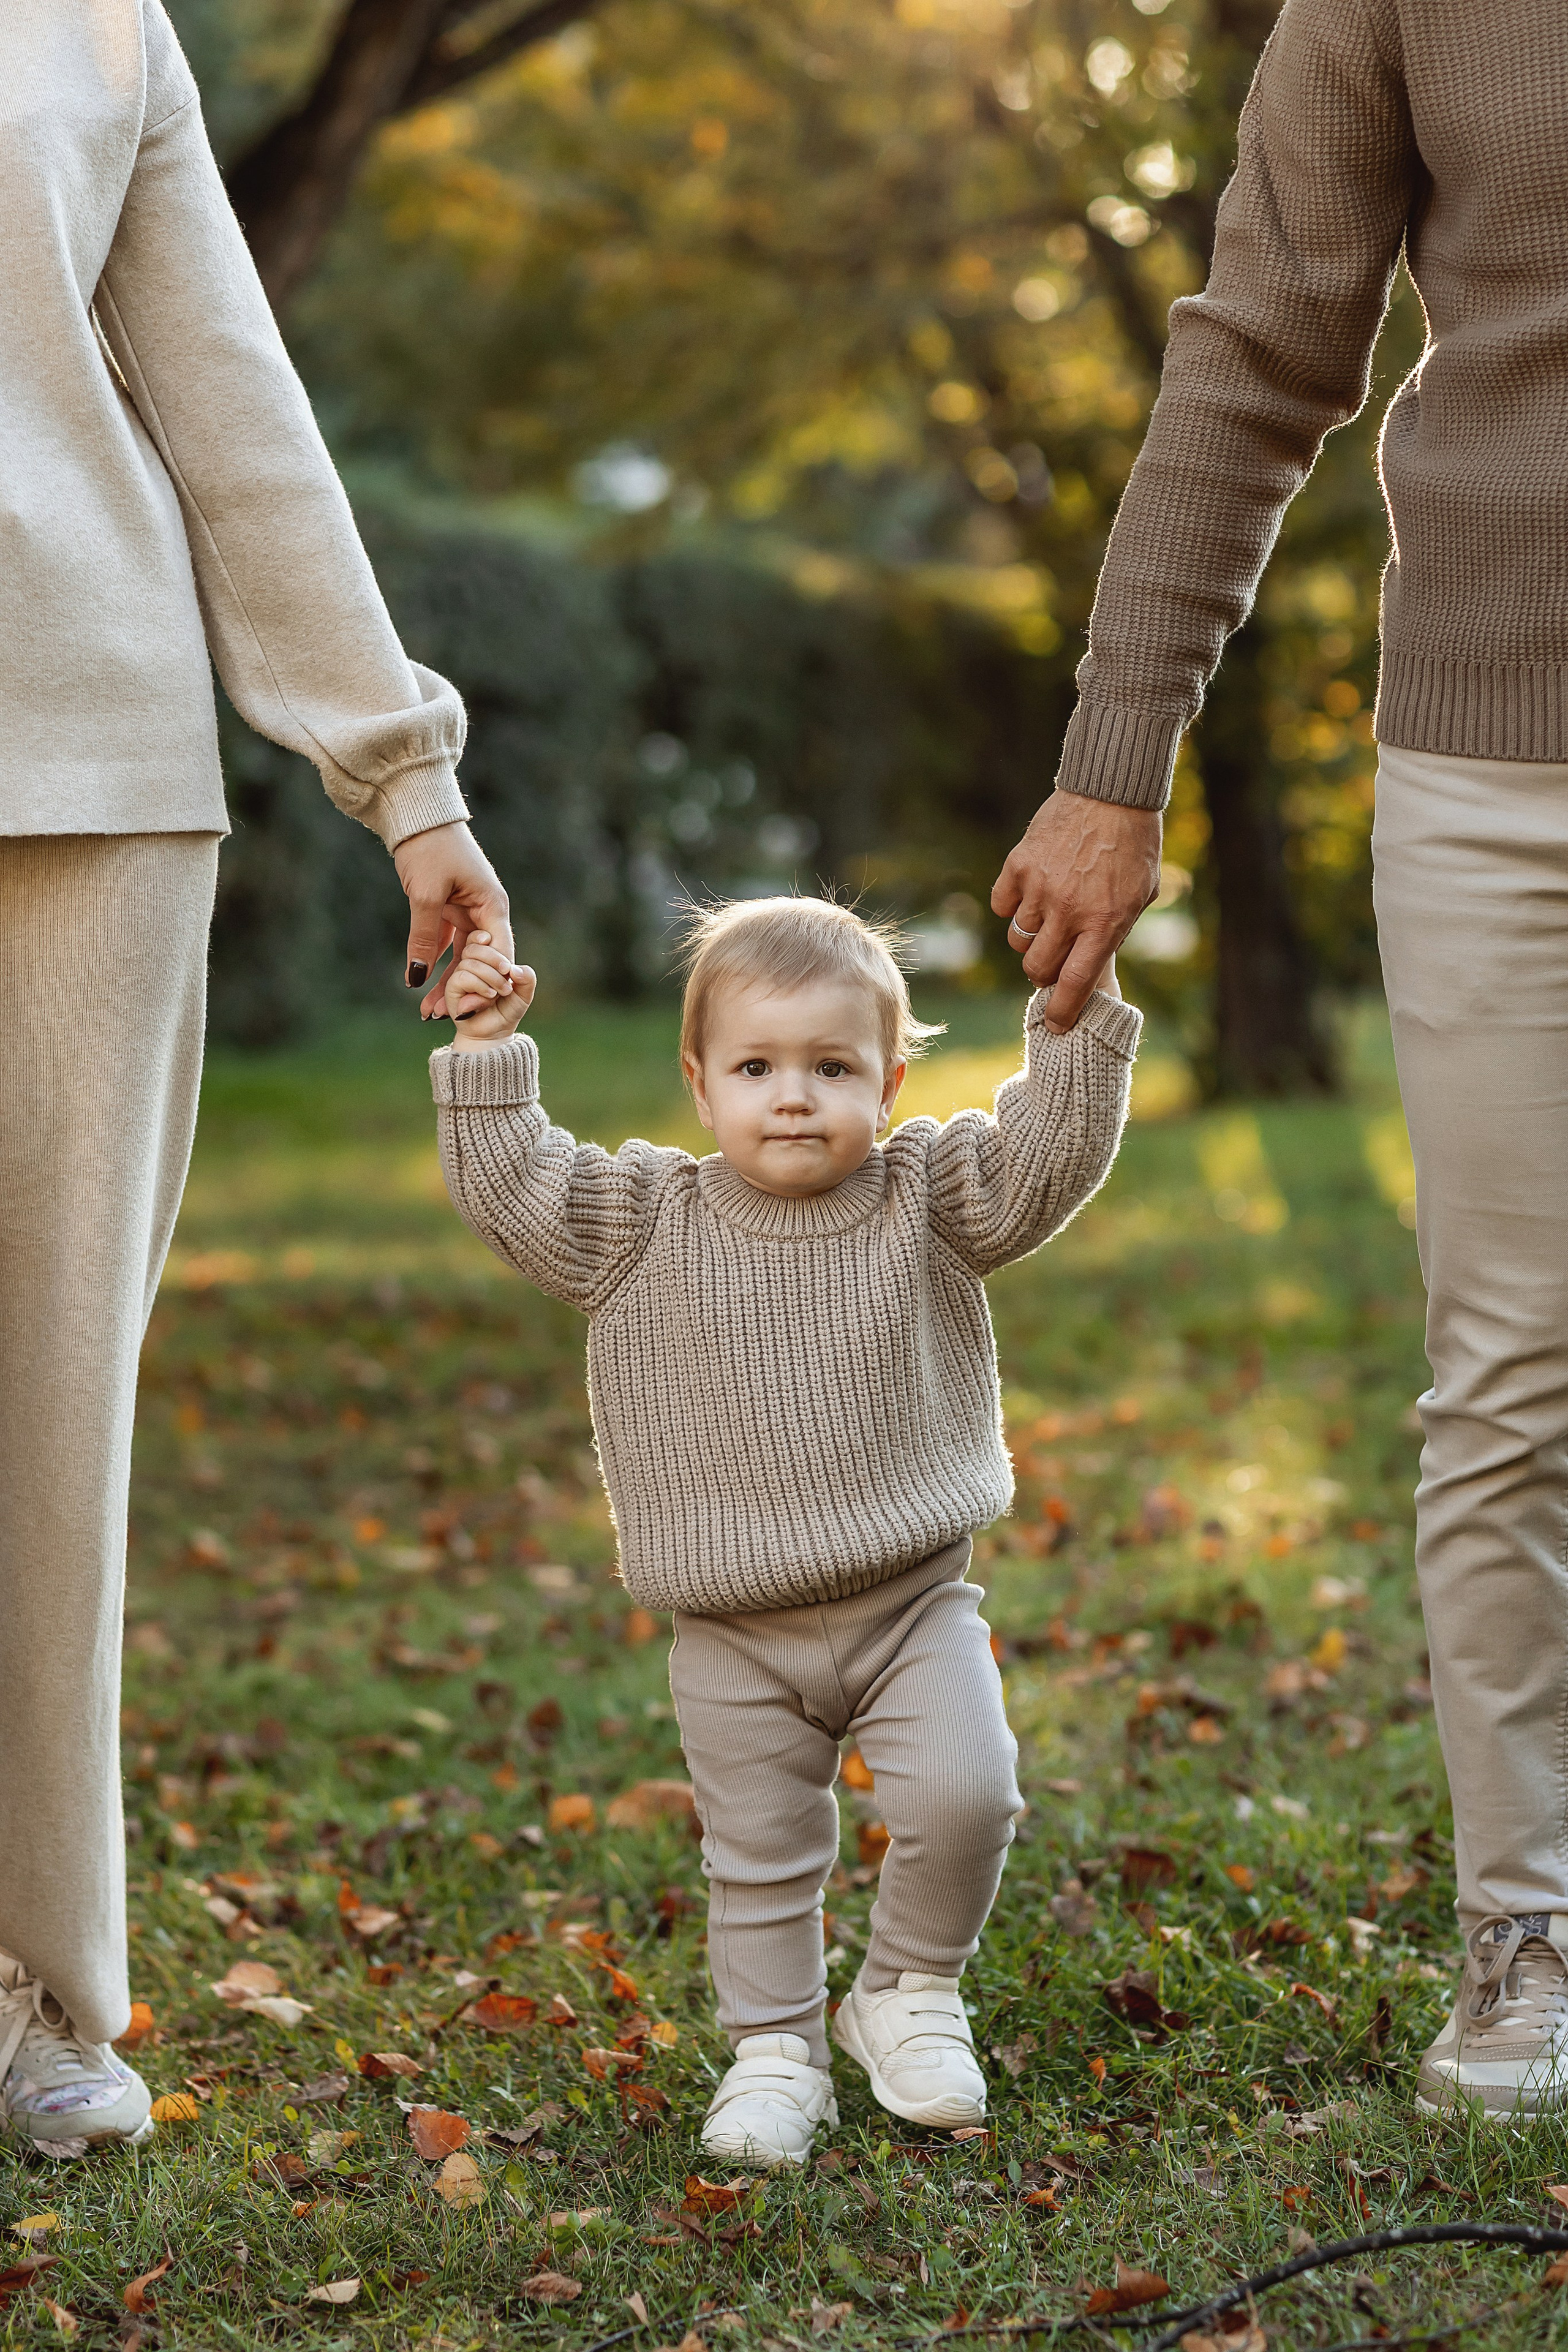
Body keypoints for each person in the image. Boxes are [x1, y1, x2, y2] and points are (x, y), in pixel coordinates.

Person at [990, 0, 1568, 2117]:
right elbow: (1256, 352)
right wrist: (1113, 760)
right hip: (1499, 770)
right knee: (1511, 1369)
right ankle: (1529, 1934)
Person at [0, 1, 510, 2154]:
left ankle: (34, 1989)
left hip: (88, 794)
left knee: (46, 1418)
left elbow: (232, 406)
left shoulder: (102, 24)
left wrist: (406, 783)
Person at [426, 897, 1140, 2165]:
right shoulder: (639, 1218)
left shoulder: (925, 1196)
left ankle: (908, 1990)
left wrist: (1074, 1019)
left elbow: (1045, 1159)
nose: (794, 1098)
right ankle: (775, 2053)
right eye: (756, 1068)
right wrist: (486, 1048)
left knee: (971, 1795)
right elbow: (513, 1186)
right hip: (730, 1629)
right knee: (759, 1855)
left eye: (831, 1068)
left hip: (910, 1602)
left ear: (891, 1078)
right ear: (699, 1083)